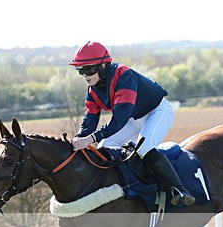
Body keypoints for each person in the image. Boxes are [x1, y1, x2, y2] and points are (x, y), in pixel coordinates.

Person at [69, 41, 196, 206]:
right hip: (133, 119)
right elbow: (89, 122)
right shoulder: (93, 91)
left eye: (89, 70)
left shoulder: (123, 76)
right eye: (81, 71)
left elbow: (119, 121)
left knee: (144, 148)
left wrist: (90, 138)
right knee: (105, 147)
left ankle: (179, 189)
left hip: (157, 112)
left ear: (103, 66)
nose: (85, 76)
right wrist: (78, 139)